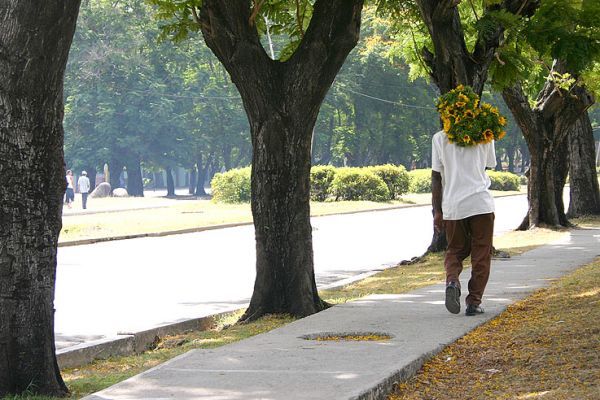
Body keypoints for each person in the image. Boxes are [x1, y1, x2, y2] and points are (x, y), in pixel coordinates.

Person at [431, 130, 496, 316]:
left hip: (453, 206)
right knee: (481, 253)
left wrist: (437, 211)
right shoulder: (486, 134)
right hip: (480, 204)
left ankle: (452, 281)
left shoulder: (440, 138)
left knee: (454, 250)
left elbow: (436, 177)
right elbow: (488, 165)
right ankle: (474, 302)